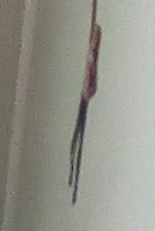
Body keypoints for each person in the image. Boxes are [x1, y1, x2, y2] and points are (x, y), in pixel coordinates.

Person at [68, 6, 101, 202]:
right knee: (77, 131)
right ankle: (72, 171)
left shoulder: (93, 52)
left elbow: (91, 72)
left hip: (86, 91)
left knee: (79, 129)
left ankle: (74, 174)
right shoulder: (91, 52)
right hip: (85, 91)